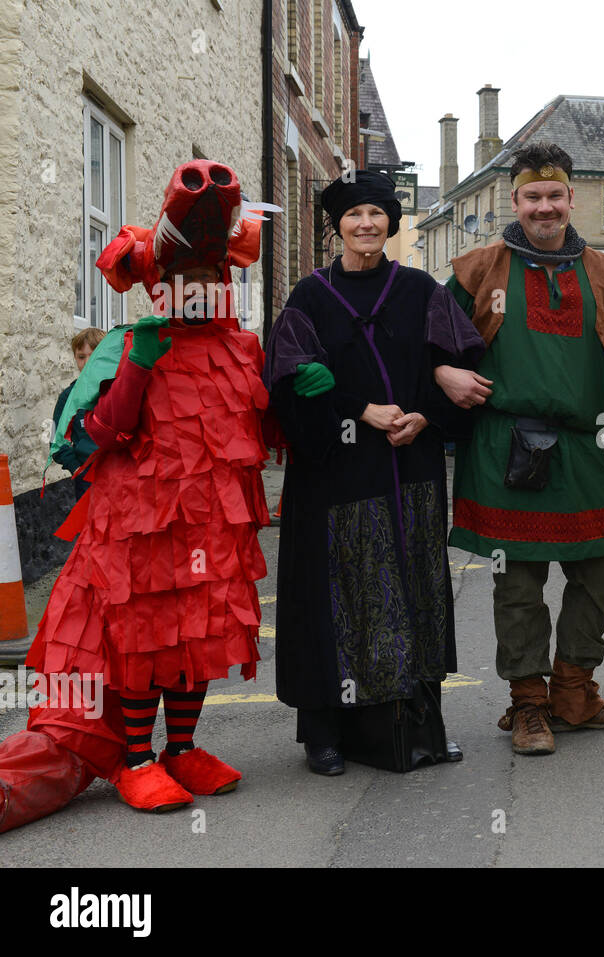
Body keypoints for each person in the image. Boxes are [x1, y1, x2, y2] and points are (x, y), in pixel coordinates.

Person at [1, 160, 275, 823]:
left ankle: (180, 746)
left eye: (210, 280)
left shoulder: (243, 349)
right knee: (144, 638)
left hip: (214, 521)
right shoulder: (126, 345)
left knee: (199, 635)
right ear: (161, 288)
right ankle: (134, 755)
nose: (201, 291)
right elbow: (96, 434)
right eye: (186, 282)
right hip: (140, 524)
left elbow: (257, 429)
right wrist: (137, 369)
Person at [265, 169, 484, 776]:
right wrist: (358, 409)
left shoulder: (421, 290)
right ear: (337, 226)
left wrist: (425, 413)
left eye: (377, 215)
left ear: (391, 223)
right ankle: (325, 733)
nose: (366, 224)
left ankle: (419, 725)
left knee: (412, 587)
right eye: (354, 215)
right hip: (333, 469)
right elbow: (287, 379)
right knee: (330, 594)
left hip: (408, 465)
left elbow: (459, 363)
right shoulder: (310, 297)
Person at [446, 142, 604, 756]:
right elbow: (427, 341)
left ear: (571, 199)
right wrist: (440, 375)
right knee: (519, 580)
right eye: (532, 196)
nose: (544, 206)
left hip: (581, 445)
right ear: (515, 200)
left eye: (554, 195)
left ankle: (573, 690)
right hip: (504, 444)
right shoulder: (476, 270)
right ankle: (528, 704)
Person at [50, 328, 105, 498]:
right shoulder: (68, 397)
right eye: (81, 357)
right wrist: (76, 468)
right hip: (86, 480)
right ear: (75, 358)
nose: (87, 362)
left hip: (121, 477)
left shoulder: (118, 391)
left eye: (93, 356)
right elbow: (54, 439)